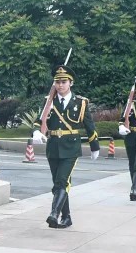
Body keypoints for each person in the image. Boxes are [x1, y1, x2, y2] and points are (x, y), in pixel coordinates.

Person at [32, 64, 99, 228]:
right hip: (53, 146)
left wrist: (94, 145)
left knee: (62, 182)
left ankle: (54, 213)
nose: (60, 85)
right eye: (57, 82)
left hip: (71, 147)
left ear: (71, 83)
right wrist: (35, 131)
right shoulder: (49, 101)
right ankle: (67, 217)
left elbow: (90, 125)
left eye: (64, 82)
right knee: (58, 183)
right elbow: (39, 120)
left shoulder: (80, 103)